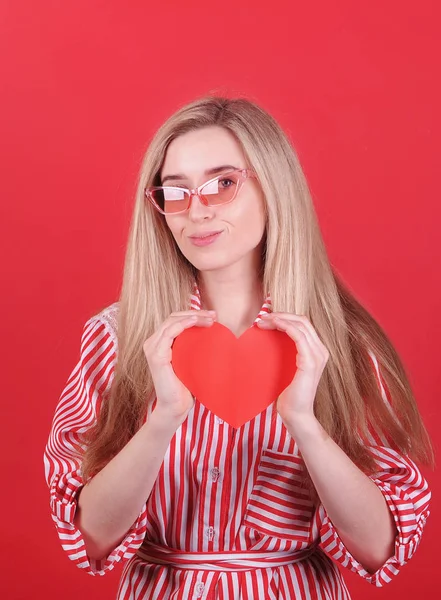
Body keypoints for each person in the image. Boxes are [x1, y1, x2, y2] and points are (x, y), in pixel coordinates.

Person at [44, 95, 433, 599]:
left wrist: (305, 425)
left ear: (273, 188)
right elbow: (90, 540)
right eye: (176, 192)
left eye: (222, 184)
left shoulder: (340, 342)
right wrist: (163, 417)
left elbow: (379, 549)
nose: (197, 211)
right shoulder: (117, 338)